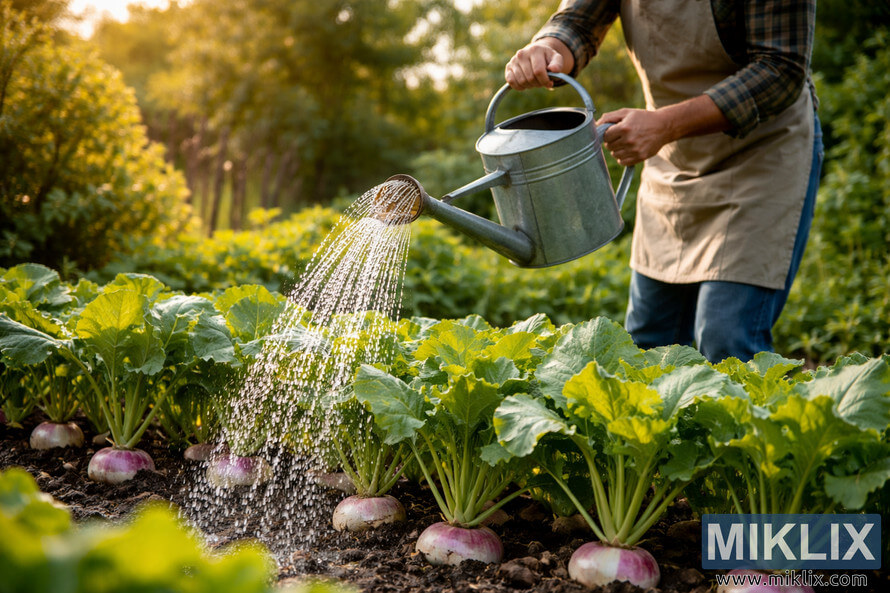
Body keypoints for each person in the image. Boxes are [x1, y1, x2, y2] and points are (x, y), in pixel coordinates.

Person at [505, 0, 824, 363]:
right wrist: (548, 46)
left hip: (761, 154)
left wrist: (665, 125)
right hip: (671, 158)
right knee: (648, 342)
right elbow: (578, 22)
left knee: (726, 338)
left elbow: (780, 69)